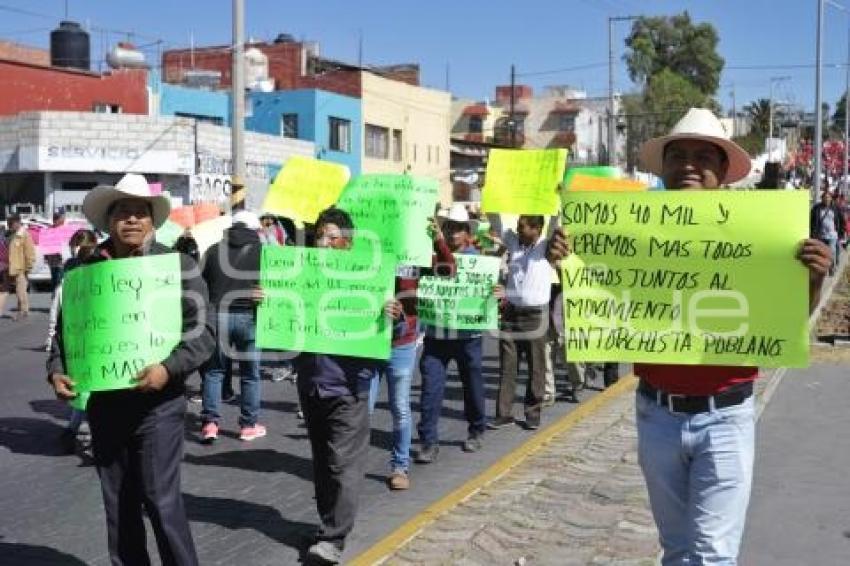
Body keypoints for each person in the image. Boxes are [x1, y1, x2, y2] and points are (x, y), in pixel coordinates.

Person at [547, 107, 831, 564]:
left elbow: (785, 319)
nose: (689, 165)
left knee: (714, 555)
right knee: (677, 550)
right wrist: (565, 259)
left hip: (726, 417)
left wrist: (814, 279)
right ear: (664, 168)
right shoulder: (631, 227)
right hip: (657, 415)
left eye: (703, 156)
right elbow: (588, 300)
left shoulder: (760, 232)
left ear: (723, 172)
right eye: (678, 155)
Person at [47, 173, 215, 566]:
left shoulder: (179, 266)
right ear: (109, 221)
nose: (133, 220)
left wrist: (168, 368)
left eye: (141, 212)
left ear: (152, 221)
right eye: (123, 212)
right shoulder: (85, 271)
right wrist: (57, 371)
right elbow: (65, 336)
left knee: (160, 498)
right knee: (119, 504)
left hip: (159, 404)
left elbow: (204, 332)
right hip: (106, 405)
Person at [293, 206, 399, 565]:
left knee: (343, 464)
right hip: (311, 384)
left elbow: (389, 335)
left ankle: (334, 538)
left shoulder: (368, 277)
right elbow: (282, 330)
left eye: (331, 236)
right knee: (323, 462)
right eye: (320, 235)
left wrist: (391, 318)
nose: (324, 241)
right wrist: (268, 305)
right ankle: (328, 526)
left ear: (348, 242)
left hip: (348, 388)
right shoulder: (302, 274)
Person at [369, 216, 456, 490]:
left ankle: (400, 466)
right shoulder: (368, 251)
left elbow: (448, 271)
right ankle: (346, 470)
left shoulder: (415, 257)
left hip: (402, 343)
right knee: (362, 409)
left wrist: (438, 240)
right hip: (368, 342)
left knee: (400, 407)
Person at [416, 204, 500, 464]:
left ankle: (476, 428)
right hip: (436, 336)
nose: (453, 233)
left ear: (466, 232)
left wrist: (500, 296)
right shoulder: (431, 257)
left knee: (473, 386)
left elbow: (493, 291)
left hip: (468, 337)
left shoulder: (480, 261)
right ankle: (428, 441)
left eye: (458, 229)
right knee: (430, 389)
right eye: (449, 227)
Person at [199, 210, 267, 443]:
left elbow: (201, 283)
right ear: (254, 229)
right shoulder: (264, 252)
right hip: (250, 316)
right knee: (250, 374)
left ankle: (210, 424)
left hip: (218, 315)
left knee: (214, 372)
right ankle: (248, 425)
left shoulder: (213, 250)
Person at [488, 215, 557, 431]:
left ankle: (532, 412)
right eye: (518, 226)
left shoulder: (545, 247)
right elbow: (497, 224)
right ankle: (503, 413)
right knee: (508, 367)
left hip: (535, 316)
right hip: (511, 314)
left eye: (523, 227)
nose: (518, 230)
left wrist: (557, 198)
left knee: (536, 367)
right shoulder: (514, 242)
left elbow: (555, 226)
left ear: (536, 229)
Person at [45, 228, 98, 454]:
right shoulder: (78, 267)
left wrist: (51, 335)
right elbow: (61, 301)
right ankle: (79, 430)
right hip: (86, 331)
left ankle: (74, 429)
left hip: (83, 331)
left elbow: (58, 303)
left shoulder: (73, 267)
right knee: (87, 387)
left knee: (84, 386)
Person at [1, 214, 36, 321]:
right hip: (6, 267)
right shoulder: (7, 234)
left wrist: (28, 267)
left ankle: (23, 311)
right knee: (3, 290)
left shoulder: (24, 235)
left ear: (17, 223)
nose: (9, 225)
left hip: (19, 268)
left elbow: (30, 253)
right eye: (8, 223)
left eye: (11, 223)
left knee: (20, 291)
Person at [810, 190, 845, 275]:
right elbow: (812, 221)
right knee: (822, 253)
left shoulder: (835, 208)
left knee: (831, 251)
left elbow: (841, 220)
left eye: (828, 197)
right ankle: (823, 268)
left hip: (832, 235)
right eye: (825, 198)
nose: (826, 199)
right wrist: (813, 233)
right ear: (822, 199)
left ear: (831, 199)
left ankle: (831, 268)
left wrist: (841, 233)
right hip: (821, 235)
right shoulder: (816, 208)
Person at [44, 208, 66, 292]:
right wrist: (46, 257)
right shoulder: (49, 230)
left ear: (63, 218)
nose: (55, 220)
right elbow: (45, 246)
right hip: (54, 261)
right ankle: (56, 301)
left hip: (63, 261)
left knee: (61, 282)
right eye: (54, 218)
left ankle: (60, 301)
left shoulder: (66, 230)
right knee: (56, 282)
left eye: (57, 218)